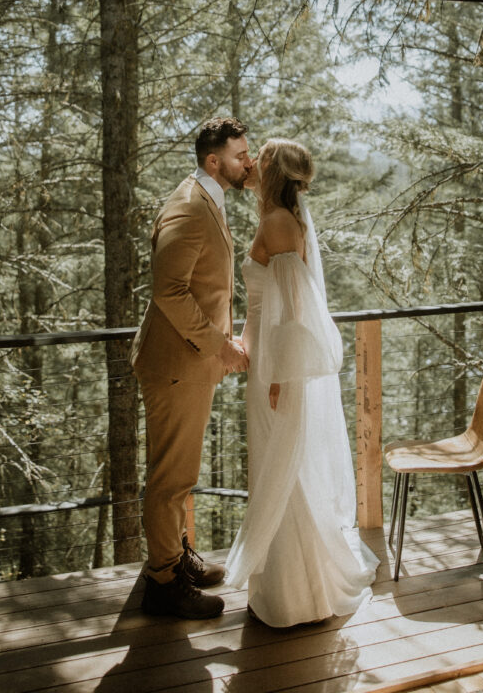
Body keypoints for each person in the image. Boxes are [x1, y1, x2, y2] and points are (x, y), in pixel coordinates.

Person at [226, 138, 378, 627]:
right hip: (265, 359)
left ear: (272, 170)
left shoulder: (277, 223)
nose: (253, 162)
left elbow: (294, 312)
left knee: (283, 468)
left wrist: (280, 378)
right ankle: (283, 585)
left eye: (260, 157)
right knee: (278, 467)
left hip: (278, 368)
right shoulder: (276, 216)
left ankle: (295, 594)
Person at [131, 116, 252, 620]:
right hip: (177, 361)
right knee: (171, 476)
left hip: (188, 360)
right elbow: (170, 291)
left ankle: (173, 558)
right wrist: (219, 346)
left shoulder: (207, 199)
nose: (249, 161)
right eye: (241, 155)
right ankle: (163, 582)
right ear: (213, 161)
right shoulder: (188, 206)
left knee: (179, 472)